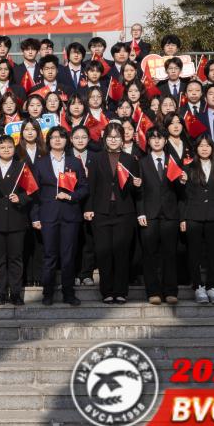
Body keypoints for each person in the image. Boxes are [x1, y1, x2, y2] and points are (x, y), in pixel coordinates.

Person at [30, 127, 88, 306]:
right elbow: (33, 193)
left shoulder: (74, 162)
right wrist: (35, 217)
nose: (57, 140)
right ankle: (47, 293)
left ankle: (68, 293)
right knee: (49, 255)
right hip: (48, 216)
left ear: (66, 140)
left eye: (61, 137)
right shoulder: (40, 163)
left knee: (68, 256)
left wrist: (71, 196)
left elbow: (84, 188)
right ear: (48, 141)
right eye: (54, 137)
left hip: (70, 215)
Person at [83, 123, 140, 304]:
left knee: (122, 252)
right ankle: (107, 291)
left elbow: (134, 189)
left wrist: (136, 184)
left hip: (124, 211)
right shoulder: (96, 158)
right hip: (101, 211)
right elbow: (90, 186)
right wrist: (88, 208)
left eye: (117, 137)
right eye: (110, 137)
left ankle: (121, 291)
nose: (113, 140)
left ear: (123, 139)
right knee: (104, 252)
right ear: (105, 138)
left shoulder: (130, 159)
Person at [136, 127, 184, 305]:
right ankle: (153, 292)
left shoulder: (173, 160)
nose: (157, 141)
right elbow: (139, 190)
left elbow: (180, 191)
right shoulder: (142, 162)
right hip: (149, 214)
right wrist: (140, 212)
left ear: (165, 141)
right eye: (153, 138)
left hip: (170, 213)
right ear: (148, 141)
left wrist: (182, 182)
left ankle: (170, 291)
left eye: (160, 138)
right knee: (149, 254)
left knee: (170, 253)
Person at [0, 134, 29, 306]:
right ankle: (1, 293)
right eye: (2, 147)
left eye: (9, 147)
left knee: (15, 258)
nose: (6, 150)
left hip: (16, 219)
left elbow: (32, 190)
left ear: (14, 149)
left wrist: (21, 198)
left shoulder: (22, 167)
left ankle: (16, 293)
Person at [181, 135, 214, 305]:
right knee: (194, 252)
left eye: (207, 146)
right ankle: (198, 286)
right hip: (194, 215)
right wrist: (183, 218)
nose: (204, 149)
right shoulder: (188, 167)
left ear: (212, 148)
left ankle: (212, 286)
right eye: (201, 146)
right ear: (196, 148)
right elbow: (183, 196)